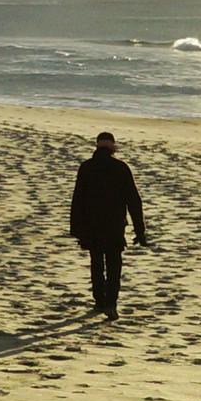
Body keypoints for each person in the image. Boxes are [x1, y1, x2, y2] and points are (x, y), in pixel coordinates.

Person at [67, 130, 147, 319]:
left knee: (96, 263)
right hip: (114, 224)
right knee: (114, 264)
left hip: (91, 225)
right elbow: (133, 200)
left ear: (97, 146)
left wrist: (76, 228)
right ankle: (111, 303)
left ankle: (99, 301)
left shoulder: (86, 167)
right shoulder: (121, 168)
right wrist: (139, 230)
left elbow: (77, 199)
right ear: (113, 147)